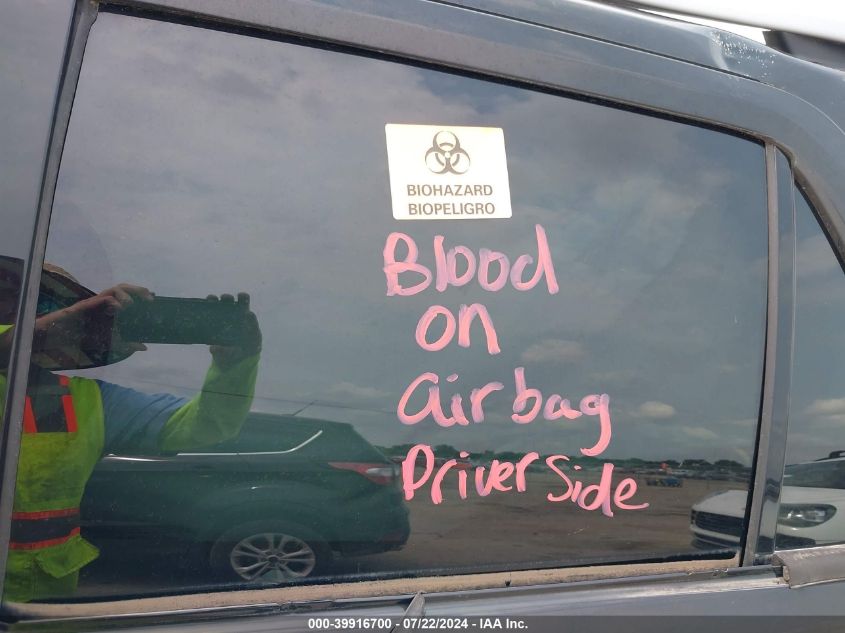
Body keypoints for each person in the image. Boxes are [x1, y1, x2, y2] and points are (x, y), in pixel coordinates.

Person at [0, 261, 261, 603]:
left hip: (42, 609)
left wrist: (235, 365)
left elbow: (203, 426)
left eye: (42, 302)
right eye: (7, 297)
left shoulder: (90, 400)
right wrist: (42, 331)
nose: (26, 311)